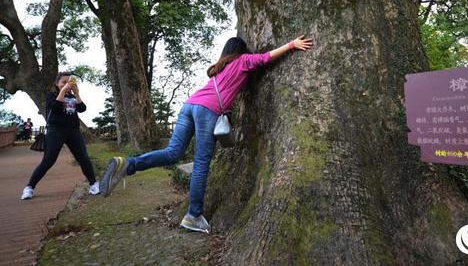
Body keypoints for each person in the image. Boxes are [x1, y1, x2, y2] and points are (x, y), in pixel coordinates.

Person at [99, 35, 314, 233]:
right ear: (241, 50)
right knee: (201, 163)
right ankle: (193, 215)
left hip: (189, 106)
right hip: (207, 111)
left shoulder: (220, 67)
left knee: (172, 152)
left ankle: (127, 164)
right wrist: (291, 45)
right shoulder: (243, 61)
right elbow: (266, 57)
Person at [21, 72, 99, 200]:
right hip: (56, 131)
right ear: (57, 84)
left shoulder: (72, 96)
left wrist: (77, 93)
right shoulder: (51, 96)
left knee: (84, 158)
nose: (67, 84)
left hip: (73, 131)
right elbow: (56, 107)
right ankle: (29, 187)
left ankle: (93, 185)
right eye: (64, 82)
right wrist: (62, 91)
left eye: (69, 81)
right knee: (48, 162)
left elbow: (82, 109)